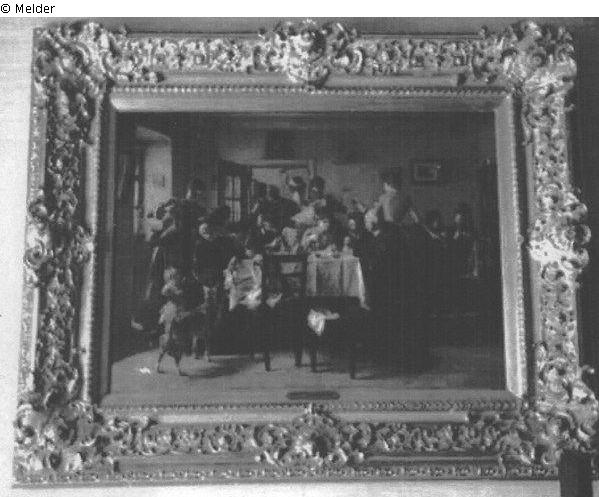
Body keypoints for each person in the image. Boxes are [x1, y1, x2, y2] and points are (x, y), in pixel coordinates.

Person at [193, 215, 236, 361]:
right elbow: (196, 268)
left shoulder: (218, 244)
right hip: (204, 283)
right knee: (203, 316)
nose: (209, 234)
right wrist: (203, 282)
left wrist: (223, 275)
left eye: (209, 231)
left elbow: (223, 263)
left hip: (217, 281)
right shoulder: (199, 246)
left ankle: (210, 348)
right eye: (205, 231)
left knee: (215, 315)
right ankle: (201, 348)